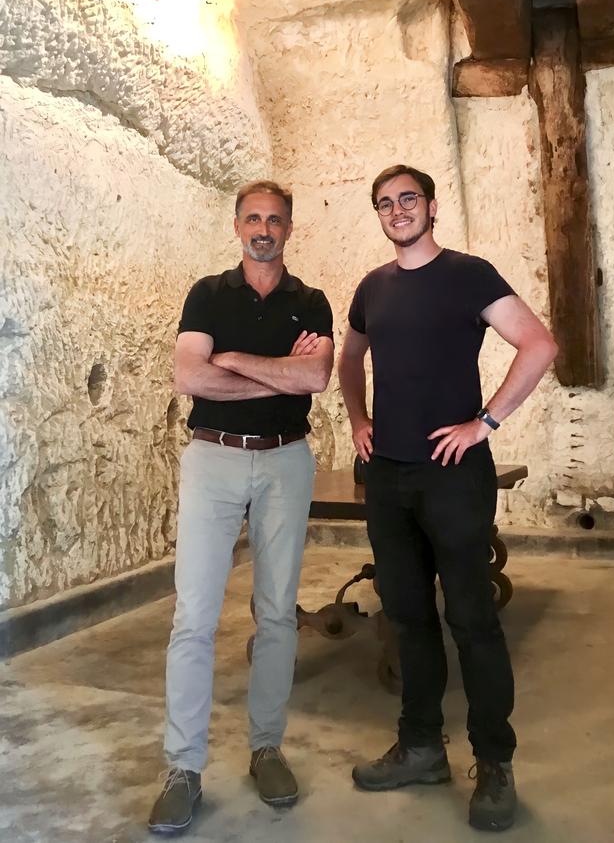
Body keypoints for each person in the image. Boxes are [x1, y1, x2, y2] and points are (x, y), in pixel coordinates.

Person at [338, 164, 557, 832]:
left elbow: (539, 342)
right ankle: (422, 745)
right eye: (385, 202)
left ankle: (494, 763)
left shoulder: (469, 274)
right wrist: (358, 419)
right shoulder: (371, 287)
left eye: (408, 198)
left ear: (431, 206)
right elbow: (350, 361)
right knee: (406, 616)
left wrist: (485, 421)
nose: (397, 209)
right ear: (378, 214)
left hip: (453, 476)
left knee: (472, 619)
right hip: (388, 478)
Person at [148, 181, 334, 835]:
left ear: (289, 228)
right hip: (214, 457)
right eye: (253, 217)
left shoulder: (310, 301)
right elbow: (191, 377)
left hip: (286, 459)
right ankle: (183, 768)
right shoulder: (207, 294)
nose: (263, 227)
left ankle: (266, 746)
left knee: (277, 612)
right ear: (237, 225)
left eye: (275, 218)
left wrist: (232, 358)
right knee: (194, 615)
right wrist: (273, 367)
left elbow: (314, 378)